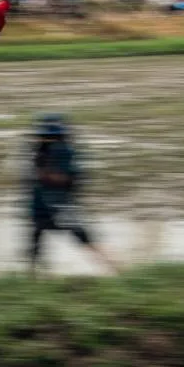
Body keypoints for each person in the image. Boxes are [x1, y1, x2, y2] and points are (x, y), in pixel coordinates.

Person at [25, 113, 119, 275]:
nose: (44, 139)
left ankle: (114, 267)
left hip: (59, 204)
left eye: (47, 136)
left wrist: (43, 173)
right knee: (36, 240)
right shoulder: (45, 151)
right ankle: (32, 276)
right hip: (44, 204)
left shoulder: (63, 151)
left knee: (82, 236)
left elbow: (64, 178)